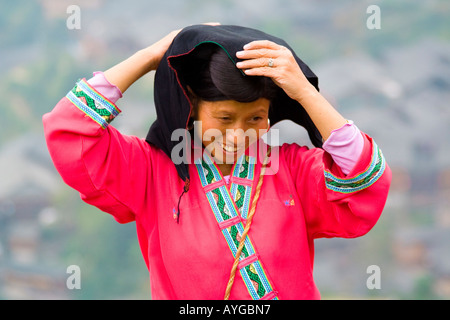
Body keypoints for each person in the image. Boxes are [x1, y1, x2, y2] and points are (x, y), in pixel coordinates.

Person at [43, 24, 391, 300]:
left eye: (256, 119)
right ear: (191, 106)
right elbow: (70, 129)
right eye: (224, 119)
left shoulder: (295, 171)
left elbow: (365, 178)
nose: (239, 135)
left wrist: (304, 91)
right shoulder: (150, 172)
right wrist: (151, 57)